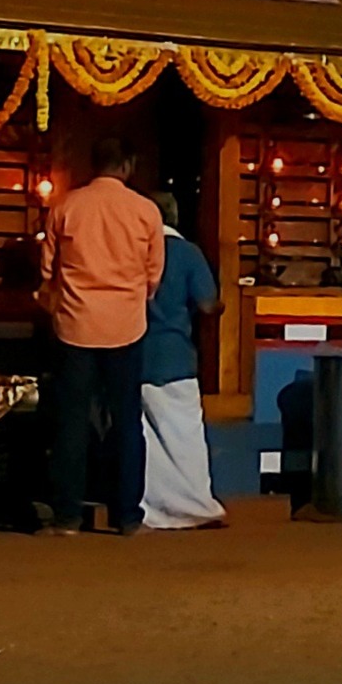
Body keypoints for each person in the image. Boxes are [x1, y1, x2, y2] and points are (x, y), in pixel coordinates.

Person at [38, 136, 165, 534]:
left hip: (75, 324)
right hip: (126, 326)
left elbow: (47, 274)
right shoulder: (146, 211)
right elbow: (153, 276)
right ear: (126, 166)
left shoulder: (65, 207)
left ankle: (67, 516)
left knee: (71, 423)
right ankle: (127, 515)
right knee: (127, 421)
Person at [136, 192, 226, 532]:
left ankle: (152, 509)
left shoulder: (137, 252)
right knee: (184, 435)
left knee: (145, 438)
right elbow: (206, 305)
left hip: (137, 352)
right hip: (175, 356)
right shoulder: (188, 253)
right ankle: (194, 505)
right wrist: (220, 307)